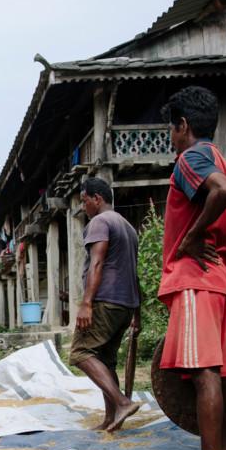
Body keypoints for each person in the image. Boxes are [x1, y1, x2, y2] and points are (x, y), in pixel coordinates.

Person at [158, 85, 226, 450]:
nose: (171, 138)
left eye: (171, 128)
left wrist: (190, 238)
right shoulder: (225, 165)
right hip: (221, 280)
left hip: (197, 279)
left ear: (184, 125)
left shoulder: (191, 157)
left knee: (205, 369)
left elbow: (221, 194)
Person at [70, 177, 142, 432]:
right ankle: (111, 417)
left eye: (84, 201)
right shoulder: (127, 226)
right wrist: (138, 314)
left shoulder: (100, 222)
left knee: (80, 353)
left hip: (105, 300)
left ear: (96, 199)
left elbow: (97, 263)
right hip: (125, 304)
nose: (84, 207)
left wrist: (86, 303)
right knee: (106, 360)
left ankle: (122, 403)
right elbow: (135, 272)